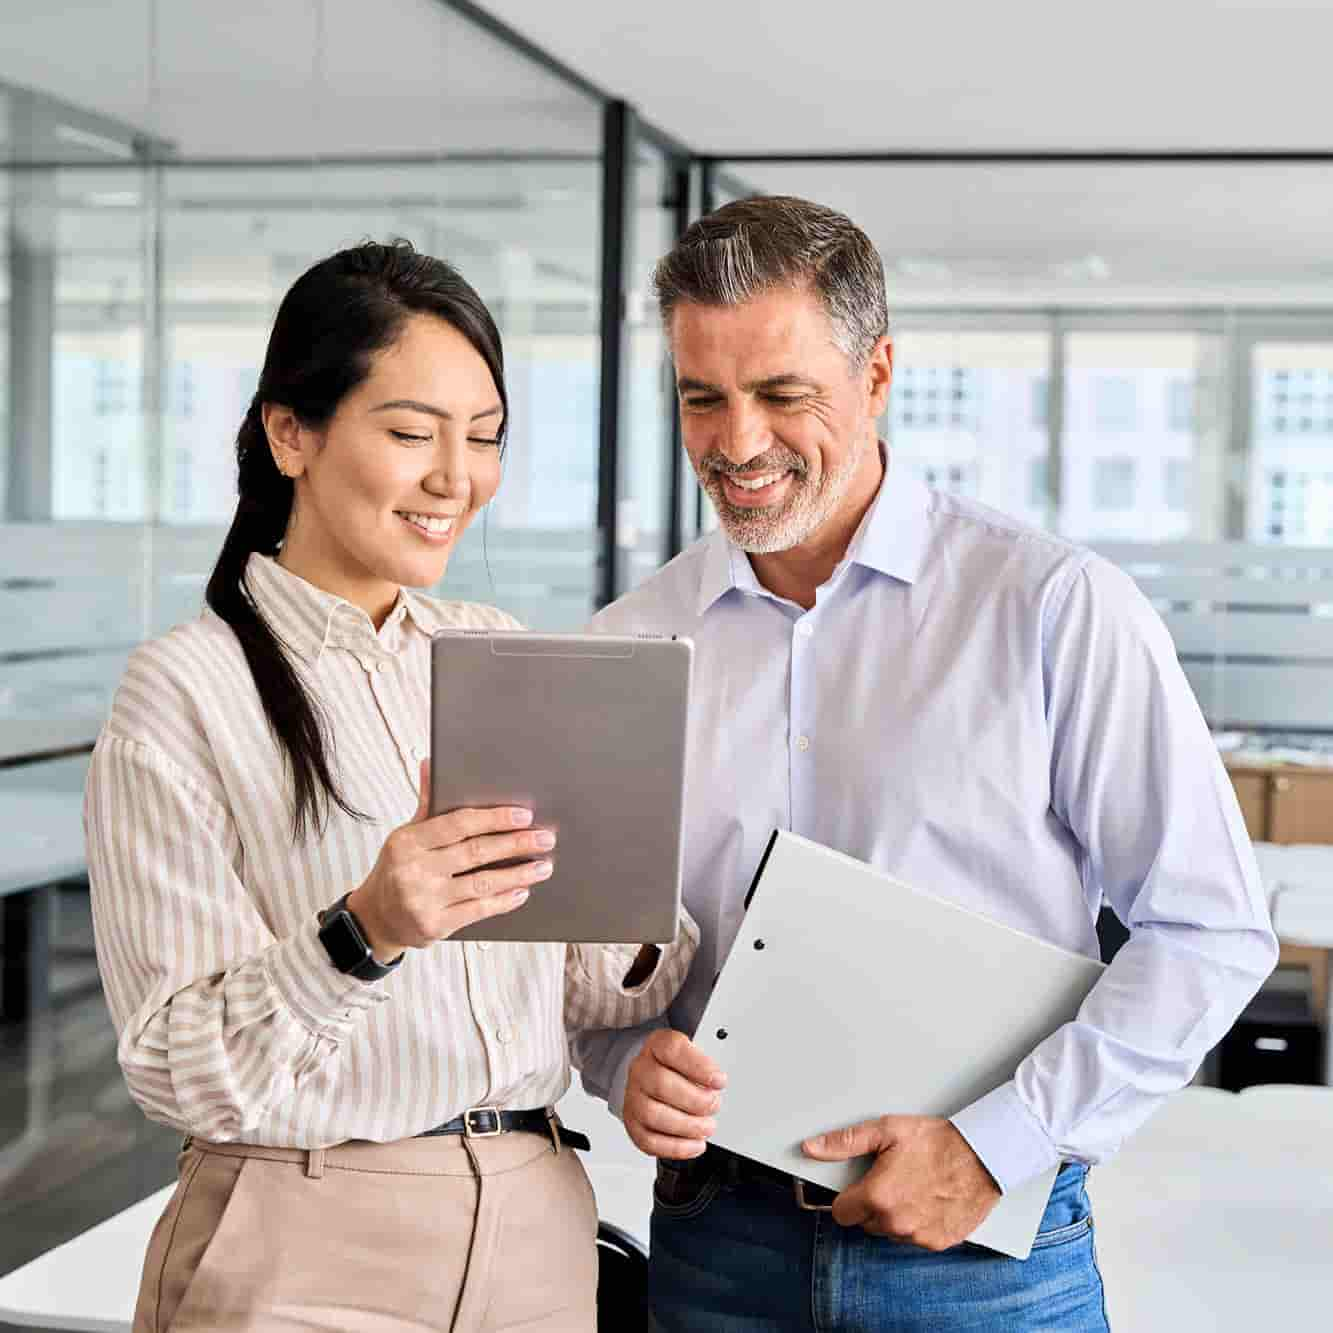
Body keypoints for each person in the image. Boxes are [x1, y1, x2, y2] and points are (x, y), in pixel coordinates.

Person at [574, 196, 1278, 1331]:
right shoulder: (629, 645)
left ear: (880, 371)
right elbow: (595, 964)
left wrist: (1006, 1141)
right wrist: (618, 1062)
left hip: (984, 1256)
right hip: (714, 1250)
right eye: (702, 398)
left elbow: (1208, 927)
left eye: (782, 394)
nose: (738, 441)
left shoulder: (1050, 606)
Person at [85, 239, 697, 1333]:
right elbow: (178, 1073)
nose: (455, 477)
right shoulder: (184, 691)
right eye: (412, 433)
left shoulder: (497, 651)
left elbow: (602, 990)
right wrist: (366, 929)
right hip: (304, 1237)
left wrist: (631, 890)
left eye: (485, 438)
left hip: (537, 1228)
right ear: (291, 433)